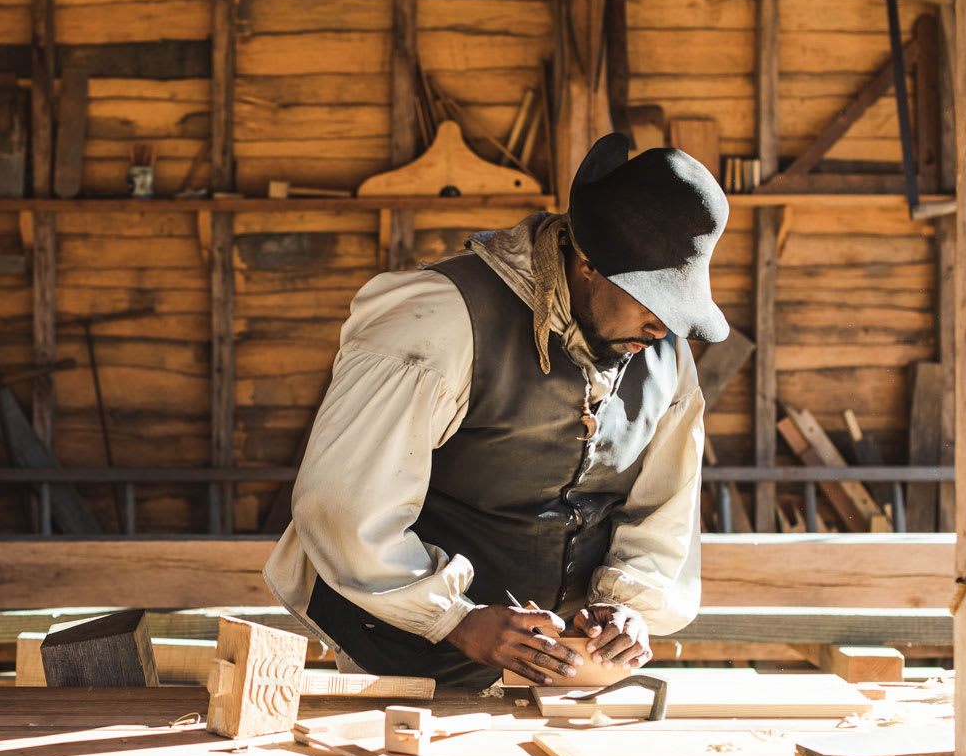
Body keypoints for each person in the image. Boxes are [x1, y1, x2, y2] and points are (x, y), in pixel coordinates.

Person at [263, 133, 730, 687]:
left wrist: (624, 604)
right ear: (587, 264)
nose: (665, 328)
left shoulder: (663, 355)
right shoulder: (438, 320)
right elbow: (346, 508)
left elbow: (662, 510)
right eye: (653, 301)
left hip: (557, 676)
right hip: (401, 662)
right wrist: (456, 619)